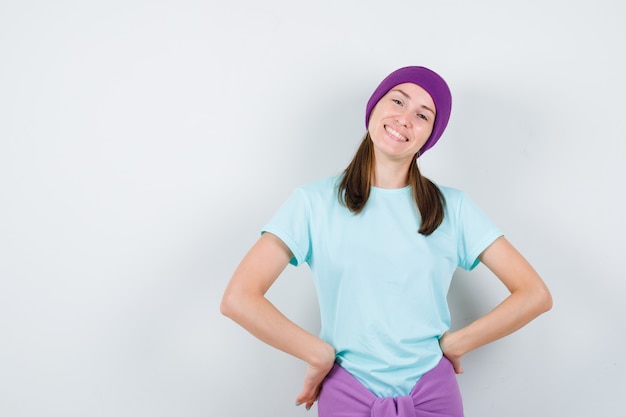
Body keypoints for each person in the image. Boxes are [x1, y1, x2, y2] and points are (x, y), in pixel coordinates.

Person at [220, 66, 552, 417]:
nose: (405, 118)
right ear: (375, 107)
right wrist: (317, 353)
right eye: (398, 100)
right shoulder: (311, 203)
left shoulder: (453, 208)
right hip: (347, 394)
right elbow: (239, 298)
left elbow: (534, 294)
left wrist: (458, 342)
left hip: (434, 396)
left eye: (423, 115)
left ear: (430, 135)